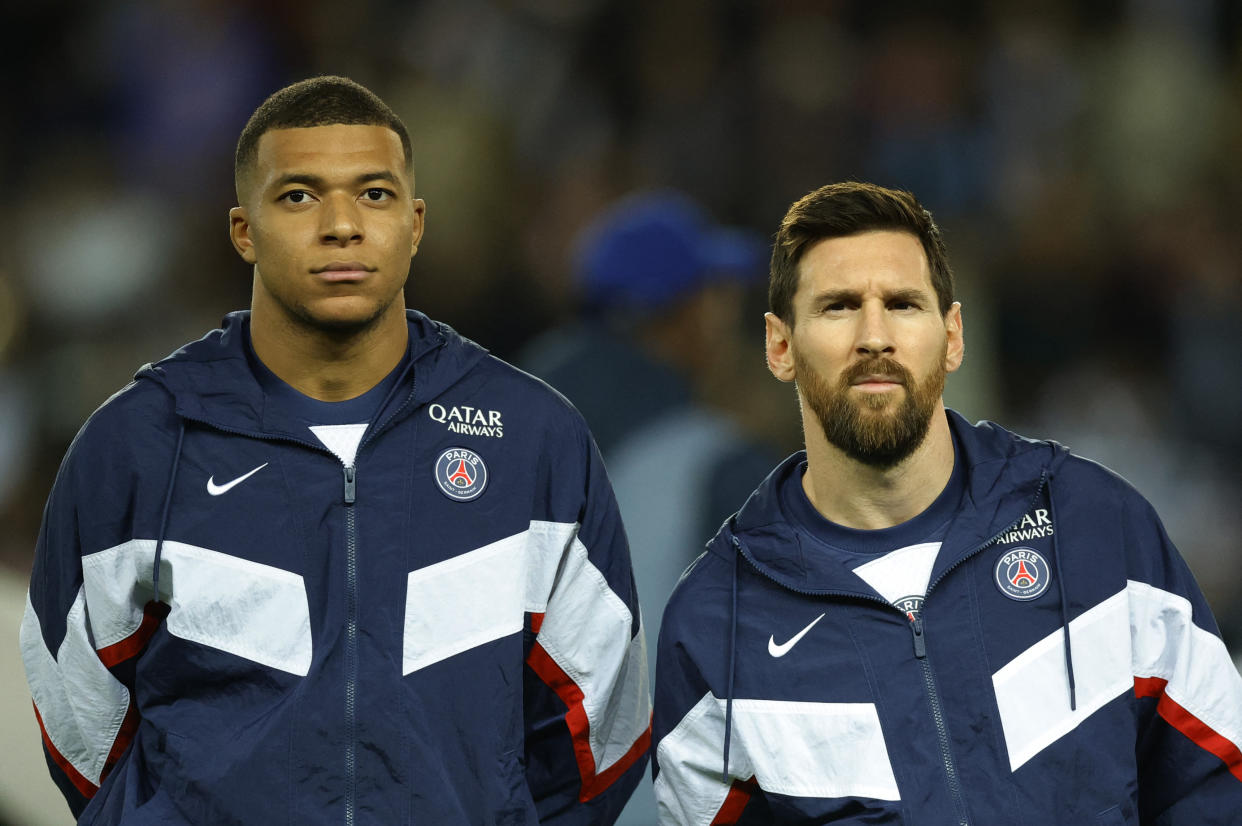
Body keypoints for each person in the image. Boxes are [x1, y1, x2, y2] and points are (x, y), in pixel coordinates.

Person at [19, 75, 650, 825]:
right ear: (243, 229)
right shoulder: (137, 445)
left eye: (374, 194)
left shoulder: (532, 437)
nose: (342, 225)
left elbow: (601, 729)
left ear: (415, 223)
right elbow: (76, 721)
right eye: (299, 196)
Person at [651, 181, 1242, 824]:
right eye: (839, 307)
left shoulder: (1096, 525)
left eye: (903, 304)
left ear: (953, 334)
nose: (874, 336)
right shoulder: (717, 623)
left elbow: (1219, 784)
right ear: (780, 345)